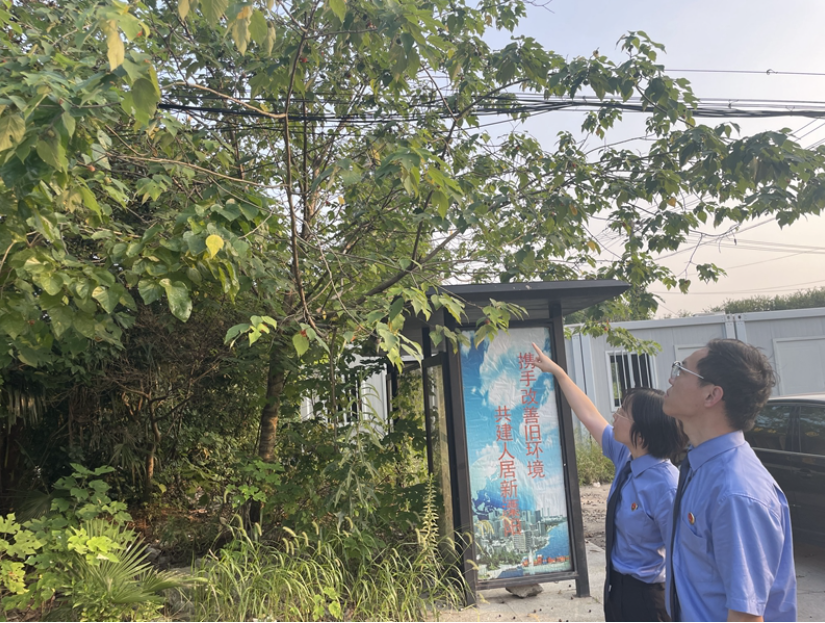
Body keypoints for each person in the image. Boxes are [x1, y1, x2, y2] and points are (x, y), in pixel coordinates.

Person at [531, 343, 686, 622]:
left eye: (623, 412)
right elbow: (589, 414)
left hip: (650, 598)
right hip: (617, 588)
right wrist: (558, 373)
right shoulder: (626, 455)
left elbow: (682, 557)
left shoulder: (666, 486)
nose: (615, 415)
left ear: (642, 433)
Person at [663, 339, 796, 622]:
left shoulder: (736, 492)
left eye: (681, 370)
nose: (671, 379)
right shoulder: (701, 467)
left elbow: (746, 617)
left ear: (712, 395)